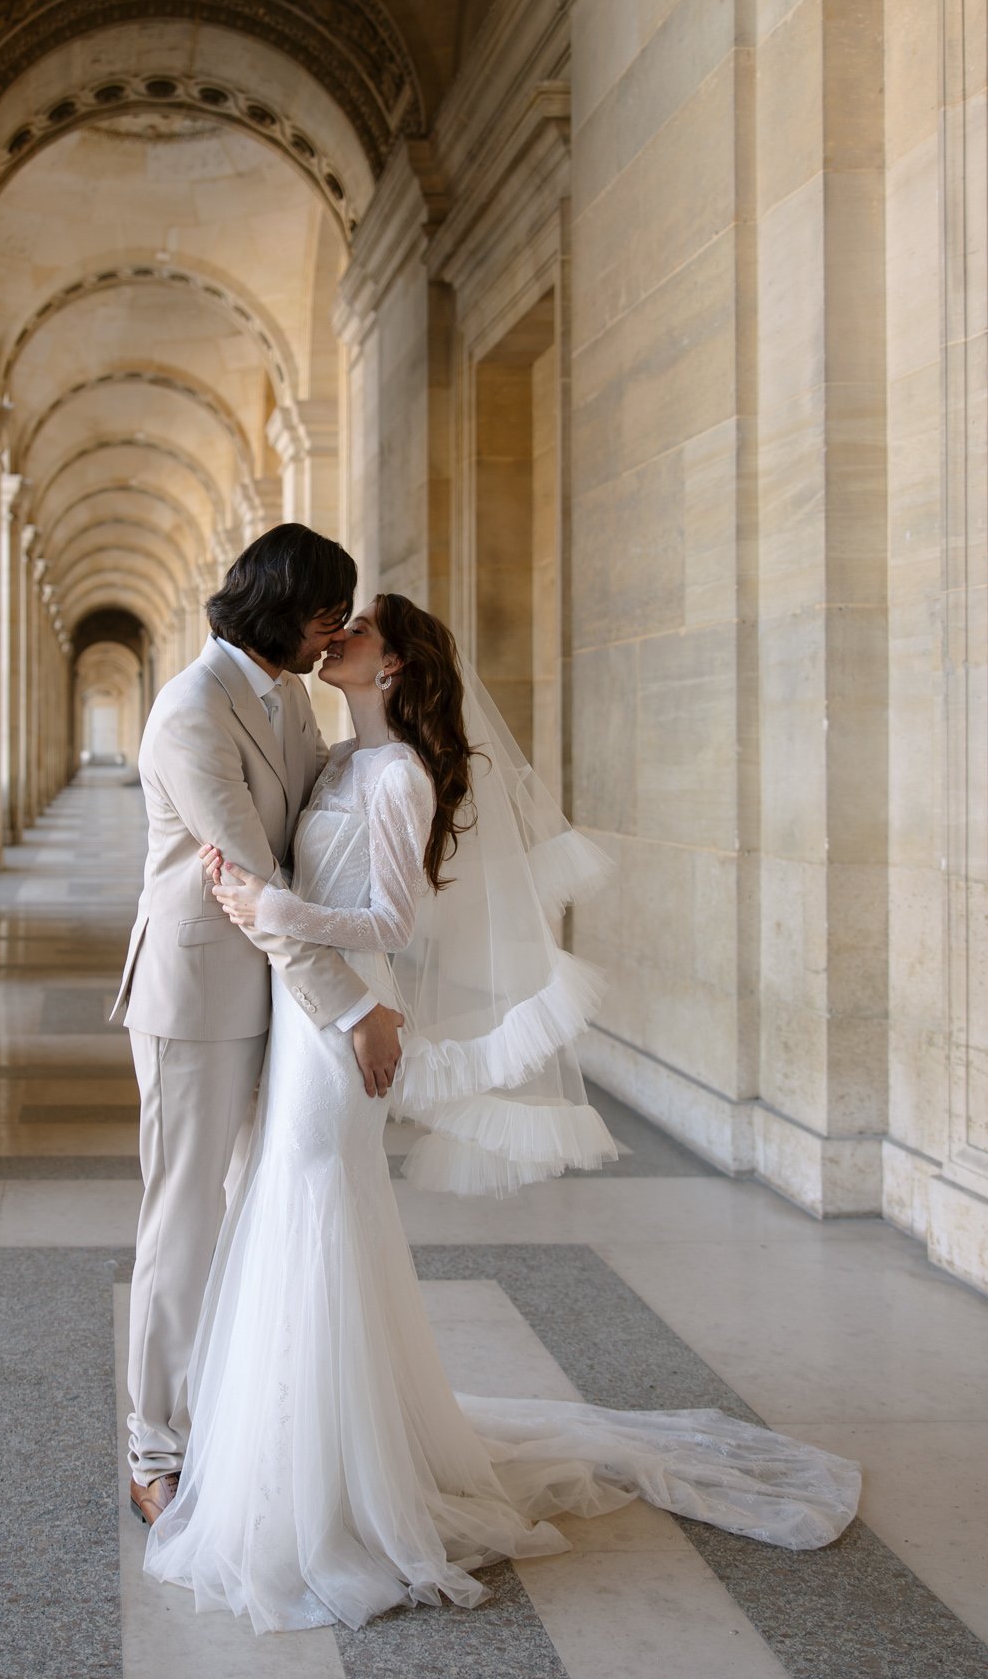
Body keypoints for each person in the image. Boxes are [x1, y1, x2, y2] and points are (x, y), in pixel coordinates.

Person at [143, 593, 862, 1632]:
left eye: (359, 630)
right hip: (305, 1015)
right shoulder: (341, 761)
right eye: (333, 625)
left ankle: (328, 1493)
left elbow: (395, 919)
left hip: (342, 1026)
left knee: (312, 1205)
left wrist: (275, 911)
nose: (333, 636)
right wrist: (252, 894)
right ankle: (300, 1454)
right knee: (290, 1206)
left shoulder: (395, 776)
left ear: (390, 667)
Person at [112, 526, 407, 1527]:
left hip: (279, 988)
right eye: (329, 614)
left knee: (259, 1206)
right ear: (283, 609)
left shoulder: (284, 690)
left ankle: (239, 1422)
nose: (336, 633)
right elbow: (256, 879)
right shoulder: (190, 712)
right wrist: (357, 1008)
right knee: (184, 1216)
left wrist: (362, 693)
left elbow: (332, 804)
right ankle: (152, 1441)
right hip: (197, 997)